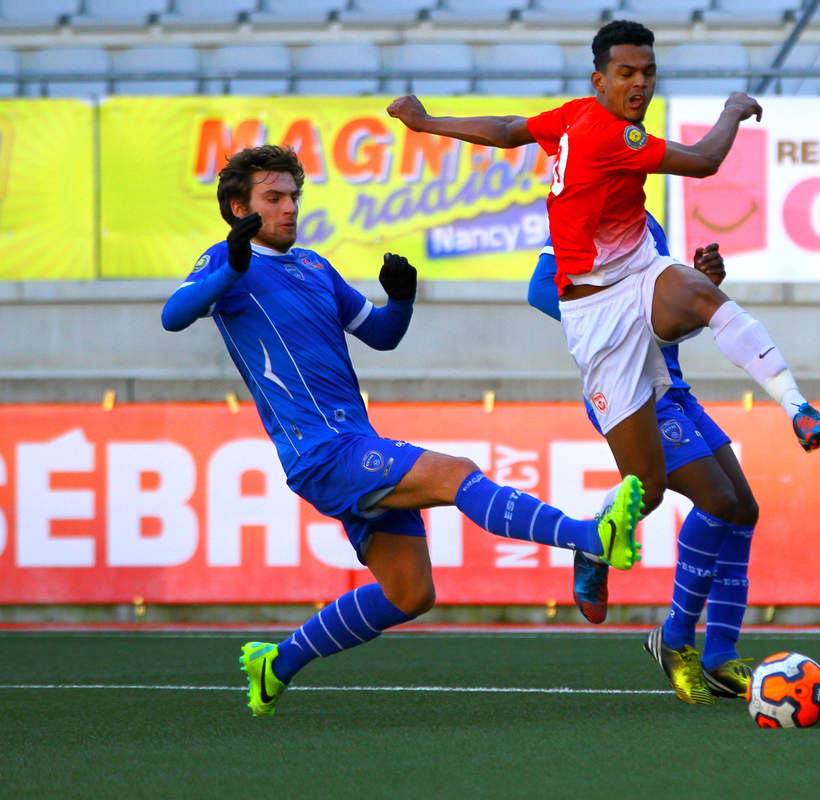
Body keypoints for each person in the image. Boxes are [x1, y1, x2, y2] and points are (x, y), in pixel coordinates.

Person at [387, 18, 820, 696]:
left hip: (642, 298)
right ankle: (600, 551)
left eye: (648, 73)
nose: (639, 84)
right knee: (654, 493)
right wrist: (734, 110)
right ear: (599, 80)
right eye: (626, 73)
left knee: (735, 501)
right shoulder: (611, 137)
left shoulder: (575, 126)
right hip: (600, 329)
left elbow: (509, 129)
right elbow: (707, 162)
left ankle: (797, 410)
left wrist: (427, 122)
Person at [161, 145, 644, 717]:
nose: (290, 208)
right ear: (240, 208)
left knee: (410, 593)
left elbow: (382, 334)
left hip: (352, 440)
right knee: (456, 475)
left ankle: (277, 663)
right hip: (322, 451)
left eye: (294, 195)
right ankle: (589, 538)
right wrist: (230, 270)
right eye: (274, 198)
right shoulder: (226, 265)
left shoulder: (314, 266)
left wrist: (403, 298)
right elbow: (173, 315)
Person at [530, 213, 760, 705]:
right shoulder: (585, 207)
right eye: (629, 131)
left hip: (672, 387)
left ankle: (720, 656)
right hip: (632, 389)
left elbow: (660, 326)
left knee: (743, 507)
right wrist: (631, 311)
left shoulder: (642, 220)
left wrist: (700, 293)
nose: (636, 138)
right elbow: (540, 289)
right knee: (716, 499)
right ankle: (674, 637)